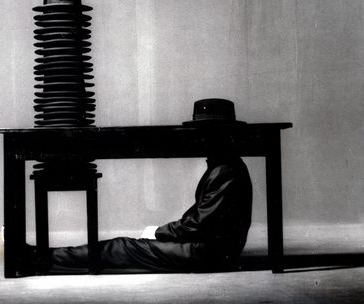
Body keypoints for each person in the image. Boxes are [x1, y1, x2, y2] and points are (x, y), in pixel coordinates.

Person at [24, 99, 253, 273]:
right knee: (122, 246)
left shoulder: (225, 170)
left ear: (221, 135)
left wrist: (158, 232)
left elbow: (199, 224)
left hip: (209, 254)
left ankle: (39, 259)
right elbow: (201, 222)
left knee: (121, 247)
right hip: (212, 249)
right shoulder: (225, 165)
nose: (201, 139)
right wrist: (165, 233)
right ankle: (41, 256)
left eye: (207, 134)